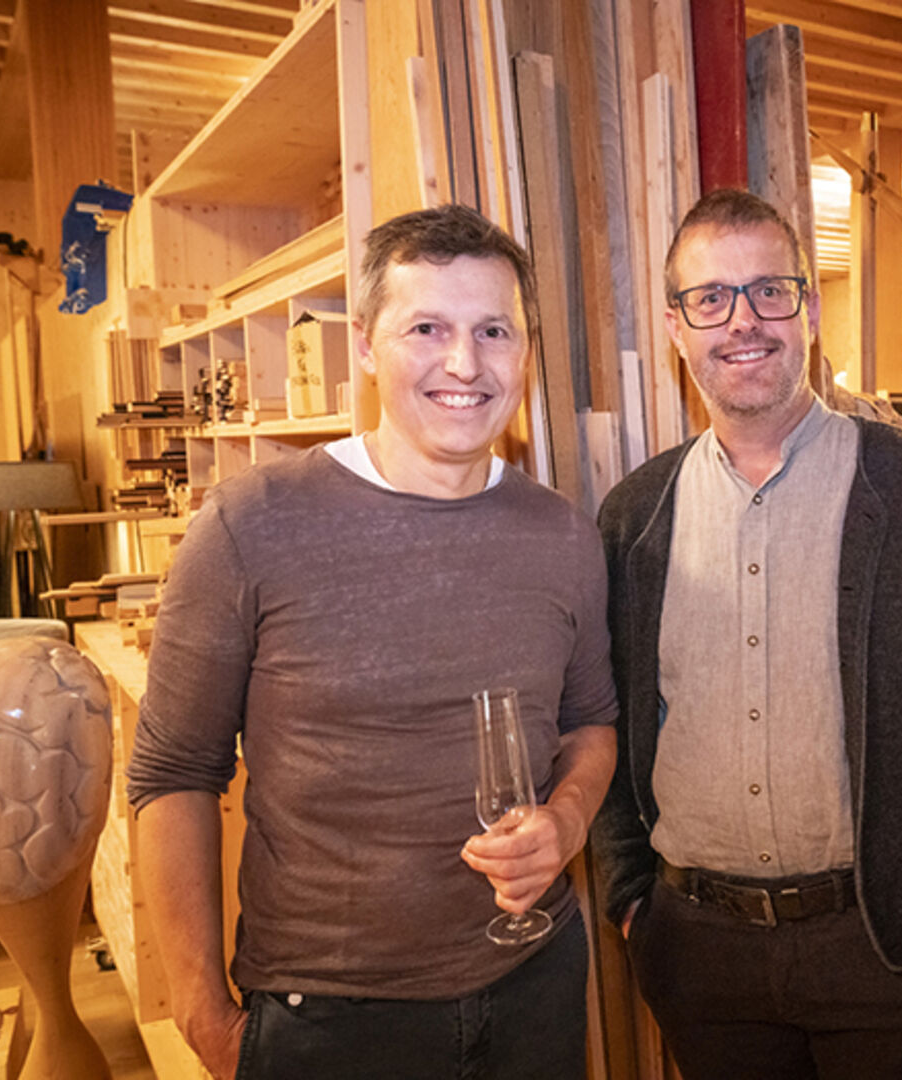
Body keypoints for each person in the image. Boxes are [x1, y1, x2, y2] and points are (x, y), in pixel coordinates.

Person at [126, 205, 618, 1080]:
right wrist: (204, 1017)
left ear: (525, 350)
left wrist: (569, 817)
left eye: (493, 331)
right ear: (364, 344)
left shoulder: (563, 536)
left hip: (535, 988)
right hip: (328, 1021)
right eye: (426, 327)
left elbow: (590, 723)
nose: (464, 364)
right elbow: (172, 775)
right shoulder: (251, 524)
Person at [593, 188, 902, 1080]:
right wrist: (633, 903)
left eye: (769, 291)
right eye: (710, 299)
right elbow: (609, 727)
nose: (742, 321)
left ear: (808, 310)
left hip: (887, 948)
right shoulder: (634, 518)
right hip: (699, 956)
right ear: (675, 327)